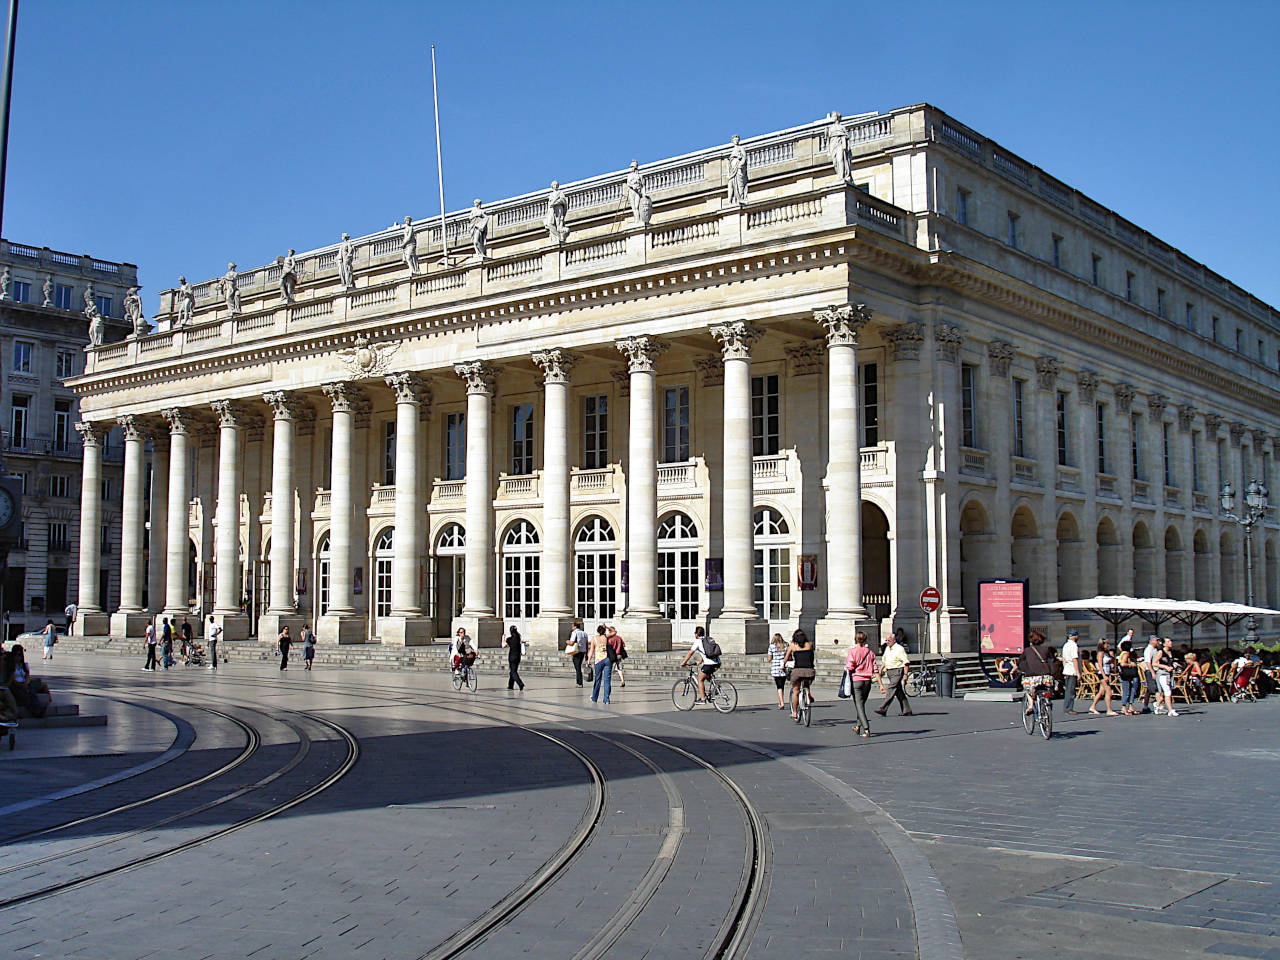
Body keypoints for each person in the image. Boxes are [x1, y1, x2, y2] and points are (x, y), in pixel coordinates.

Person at [847, 631, 878, 737]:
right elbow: (875, 668)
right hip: (868, 681)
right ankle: (857, 726)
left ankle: (866, 729)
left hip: (857, 680)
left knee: (859, 706)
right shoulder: (870, 652)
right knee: (861, 704)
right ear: (865, 640)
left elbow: (850, 666)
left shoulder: (852, 652)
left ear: (855, 640)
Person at [679, 625, 721, 704]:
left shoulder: (698, 641)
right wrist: (700, 661)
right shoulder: (708, 639)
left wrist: (683, 662)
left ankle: (703, 699)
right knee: (707, 675)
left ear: (696, 634)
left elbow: (690, 653)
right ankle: (716, 688)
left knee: (700, 679)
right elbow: (707, 652)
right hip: (717, 662)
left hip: (709, 664)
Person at [874, 630, 912, 717]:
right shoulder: (887, 648)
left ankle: (883, 708)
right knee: (898, 691)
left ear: (894, 640)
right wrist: (881, 669)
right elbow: (885, 659)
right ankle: (907, 710)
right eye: (886, 640)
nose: (887, 642)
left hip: (897, 671)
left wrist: (905, 675)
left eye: (889, 640)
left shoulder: (899, 649)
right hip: (890, 671)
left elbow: (906, 662)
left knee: (891, 688)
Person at [1017, 629, 1055, 715]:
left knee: (1028, 691)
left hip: (1032, 678)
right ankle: (1047, 702)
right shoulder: (1046, 649)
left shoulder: (1027, 651)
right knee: (1047, 689)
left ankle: (1030, 705)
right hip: (1046, 677)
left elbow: (1021, 663)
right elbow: (1051, 661)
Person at [784, 628, 816, 719]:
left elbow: (786, 658)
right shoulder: (809, 644)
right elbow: (811, 656)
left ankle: (794, 712)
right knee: (807, 682)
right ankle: (808, 693)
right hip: (809, 670)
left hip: (797, 670)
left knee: (796, 691)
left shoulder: (792, 646)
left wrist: (783, 666)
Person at [1088, 640, 1118, 716]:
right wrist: (1104, 675)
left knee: (1101, 692)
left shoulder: (1106, 653)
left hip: (1107, 673)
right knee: (1108, 691)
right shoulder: (1100, 653)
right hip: (1102, 673)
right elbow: (1100, 665)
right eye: (1106, 644)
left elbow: (1112, 660)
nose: (1108, 645)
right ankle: (1109, 709)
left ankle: (1092, 707)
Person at [1153, 637, 1179, 716]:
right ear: (1164, 644)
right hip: (1162, 674)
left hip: (1169, 674)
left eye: (1170, 640)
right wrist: (1165, 667)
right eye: (1168, 641)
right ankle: (1171, 710)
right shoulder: (1161, 652)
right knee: (1168, 691)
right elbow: (1154, 663)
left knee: (1165, 693)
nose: (1170, 642)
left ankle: (1157, 704)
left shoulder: (1171, 652)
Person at [590, 624, 613, 704]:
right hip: (607, 659)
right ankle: (606, 699)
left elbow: (591, 651)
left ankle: (594, 697)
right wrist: (606, 626)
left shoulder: (594, 639)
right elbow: (614, 632)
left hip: (598, 660)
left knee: (598, 679)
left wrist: (588, 660)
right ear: (604, 631)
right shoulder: (606, 637)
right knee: (607, 680)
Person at [1061, 629, 1082, 714]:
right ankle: (1069, 708)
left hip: (1067, 669)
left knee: (1068, 690)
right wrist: (1078, 672)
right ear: (1075, 636)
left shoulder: (1066, 645)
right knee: (1071, 690)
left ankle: (1067, 707)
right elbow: (1074, 659)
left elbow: (1064, 659)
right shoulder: (1073, 646)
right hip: (1072, 670)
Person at [1117, 638, 1140, 715]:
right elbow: (1123, 664)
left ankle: (1129, 707)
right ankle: (1124, 707)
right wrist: (1131, 664)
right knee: (1128, 690)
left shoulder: (1122, 653)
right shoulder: (1126, 654)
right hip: (1128, 674)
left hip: (1124, 674)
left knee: (1127, 690)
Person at [1141, 635, 1161, 713]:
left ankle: (1145, 706)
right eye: (1156, 640)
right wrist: (1152, 672)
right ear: (1151, 641)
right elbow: (1148, 662)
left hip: (1154, 670)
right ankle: (1158, 706)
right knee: (1156, 688)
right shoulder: (1148, 650)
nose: (1157, 642)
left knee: (1149, 690)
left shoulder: (1155, 649)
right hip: (1150, 670)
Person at [502, 625, 526, 691]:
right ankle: (510, 685)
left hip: (512, 657)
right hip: (518, 656)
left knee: (513, 672)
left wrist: (503, 638)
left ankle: (520, 683)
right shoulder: (518, 637)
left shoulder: (509, 639)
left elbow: (503, 645)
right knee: (513, 671)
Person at [768, 633, 788, 709]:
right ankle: (781, 701)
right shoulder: (786, 645)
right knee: (782, 685)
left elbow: (769, 659)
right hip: (783, 666)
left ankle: (781, 703)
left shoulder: (772, 646)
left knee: (779, 686)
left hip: (776, 668)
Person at [567, 619, 588, 687]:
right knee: (578, 666)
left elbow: (572, 642)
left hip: (576, 651)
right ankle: (579, 682)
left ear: (575, 627)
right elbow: (586, 644)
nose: (571, 628)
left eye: (572, 626)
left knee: (577, 667)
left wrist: (567, 642)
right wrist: (586, 653)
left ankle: (579, 682)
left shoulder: (575, 633)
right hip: (582, 651)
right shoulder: (584, 633)